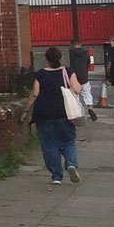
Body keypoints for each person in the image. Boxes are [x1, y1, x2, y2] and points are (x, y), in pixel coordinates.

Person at [29, 46, 83, 186]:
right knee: (68, 141)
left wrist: (25, 110)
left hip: (44, 114)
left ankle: (56, 176)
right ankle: (71, 164)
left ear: (46, 60)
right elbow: (77, 89)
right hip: (64, 113)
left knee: (49, 145)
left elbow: (35, 94)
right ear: (61, 58)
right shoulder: (68, 72)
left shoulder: (40, 74)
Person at [68, 41, 96, 112]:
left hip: (74, 75)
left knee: (75, 94)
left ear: (72, 45)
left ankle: (78, 109)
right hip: (84, 74)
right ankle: (90, 106)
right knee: (87, 92)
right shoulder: (86, 52)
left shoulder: (71, 52)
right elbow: (88, 63)